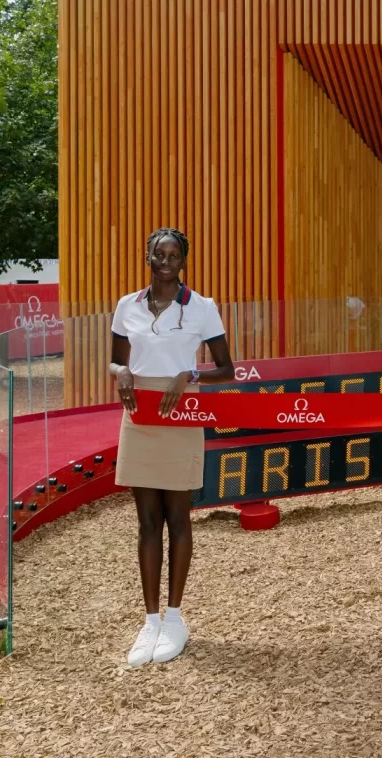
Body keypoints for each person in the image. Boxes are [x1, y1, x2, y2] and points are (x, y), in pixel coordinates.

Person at [110, 228, 235, 667]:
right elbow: (115, 357)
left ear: (183, 260)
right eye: (158, 254)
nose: (165, 261)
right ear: (147, 256)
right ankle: (150, 622)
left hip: (181, 412)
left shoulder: (202, 307)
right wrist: (120, 372)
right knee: (147, 523)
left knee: (178, 519)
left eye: (174, 255)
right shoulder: (128, 305)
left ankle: (176, 619)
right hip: (139, 413)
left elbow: (227, 369)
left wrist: (189, 375)